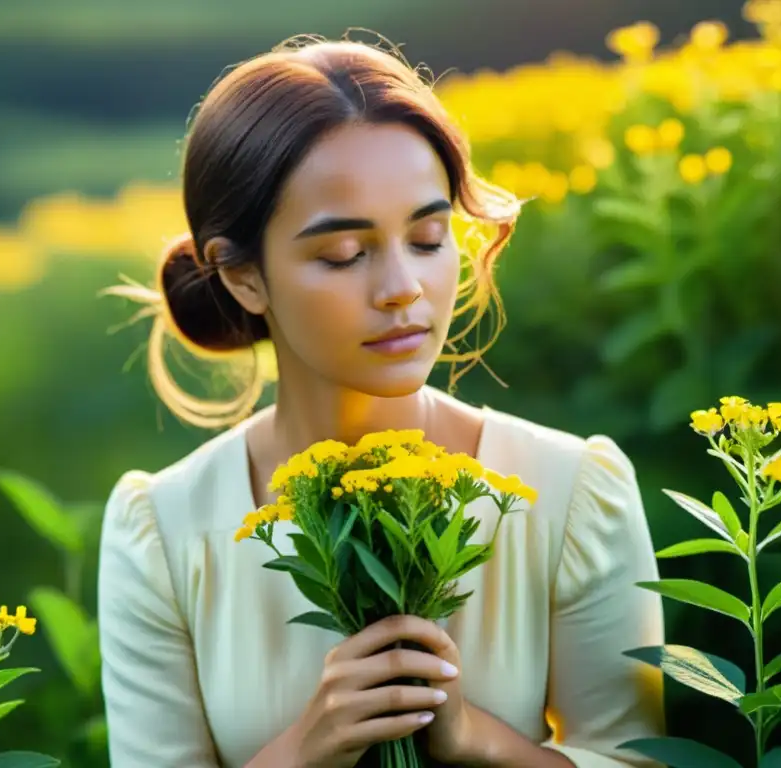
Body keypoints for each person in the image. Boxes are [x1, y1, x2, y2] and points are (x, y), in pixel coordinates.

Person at [97, 33, 665, 768]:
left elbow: (638, 759)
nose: (402, 286)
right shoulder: (164, 532)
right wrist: (308, 748)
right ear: (242, 277)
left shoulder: (572, 492)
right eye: (344, 254)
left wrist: (475, 740)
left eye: (428, 238)